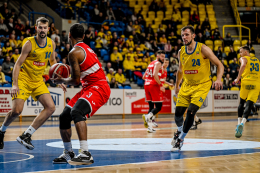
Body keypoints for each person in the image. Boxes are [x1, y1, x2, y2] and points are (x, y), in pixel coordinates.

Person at [52, 23, 111, 165]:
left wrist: (61, 80)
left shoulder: (74, 52)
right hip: (89, 86)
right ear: (83, 36)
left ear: (69, 35)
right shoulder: (87, 48)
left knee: (77, 112)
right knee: (64, 116)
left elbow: (75, 80)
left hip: (98, 87)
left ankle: (85, 153)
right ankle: (68, 153)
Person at [0, 17, 63, 150]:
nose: (42, 30)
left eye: (45, 28)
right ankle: (1, 131)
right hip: (23, 79)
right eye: (40, 27)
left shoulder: (51, 43)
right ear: (36, 28)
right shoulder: (29, 43)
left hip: (38, 80)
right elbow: (18, 64)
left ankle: (26, 135)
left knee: (51, 107)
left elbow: (52, 62)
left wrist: (58, 79)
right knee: (16, 111)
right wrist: (15, 84)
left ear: (48, 29)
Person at [171, 26, 224, 151]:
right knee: (178, 113)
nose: (184, 37)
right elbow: (180, 70)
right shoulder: (181, 52)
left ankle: (181, 139)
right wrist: (177, 85)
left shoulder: (203, 49)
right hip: (187, 85)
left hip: (202, 85)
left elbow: (219, 64)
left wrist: (219, 79)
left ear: (193, 35)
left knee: (190, 112)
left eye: (187, 34)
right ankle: (179, 132)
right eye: (182, 35)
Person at [234, 46, 260, 138]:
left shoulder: (243, 58)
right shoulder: (257, 60)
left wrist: (238, 78)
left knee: (241, 102)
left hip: (246, 82)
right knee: (249, 104)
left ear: (245, 52)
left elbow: (243, 65)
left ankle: (238, 123)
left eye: (241, 52)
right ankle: (243, 123)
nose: (240, 54)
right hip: (256, 83)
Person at [142, 50, 166, 133]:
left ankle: (149, 127)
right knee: (159, 106)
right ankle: (147, 116)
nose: (163, 58)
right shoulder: (158, 63)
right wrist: (160, 85)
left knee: (151, 107)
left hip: (146, 85)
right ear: (158, 56)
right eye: (162, 56)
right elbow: (155, 75)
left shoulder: (151, 63)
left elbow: (144, 76)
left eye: (164, 57)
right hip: (153, 85)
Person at [152, 58, 173, 127]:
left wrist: (168, 84)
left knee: (158, 106)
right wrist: (161, 86)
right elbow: (156, 78)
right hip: (156, 88)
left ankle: (151, 119)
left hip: (159, 88)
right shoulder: (160, 69)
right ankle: (150, 119)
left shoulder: (165, 70)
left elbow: (162, 80)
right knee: (158, 106)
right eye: (165, 62)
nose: (166, 64)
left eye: (167, 63)